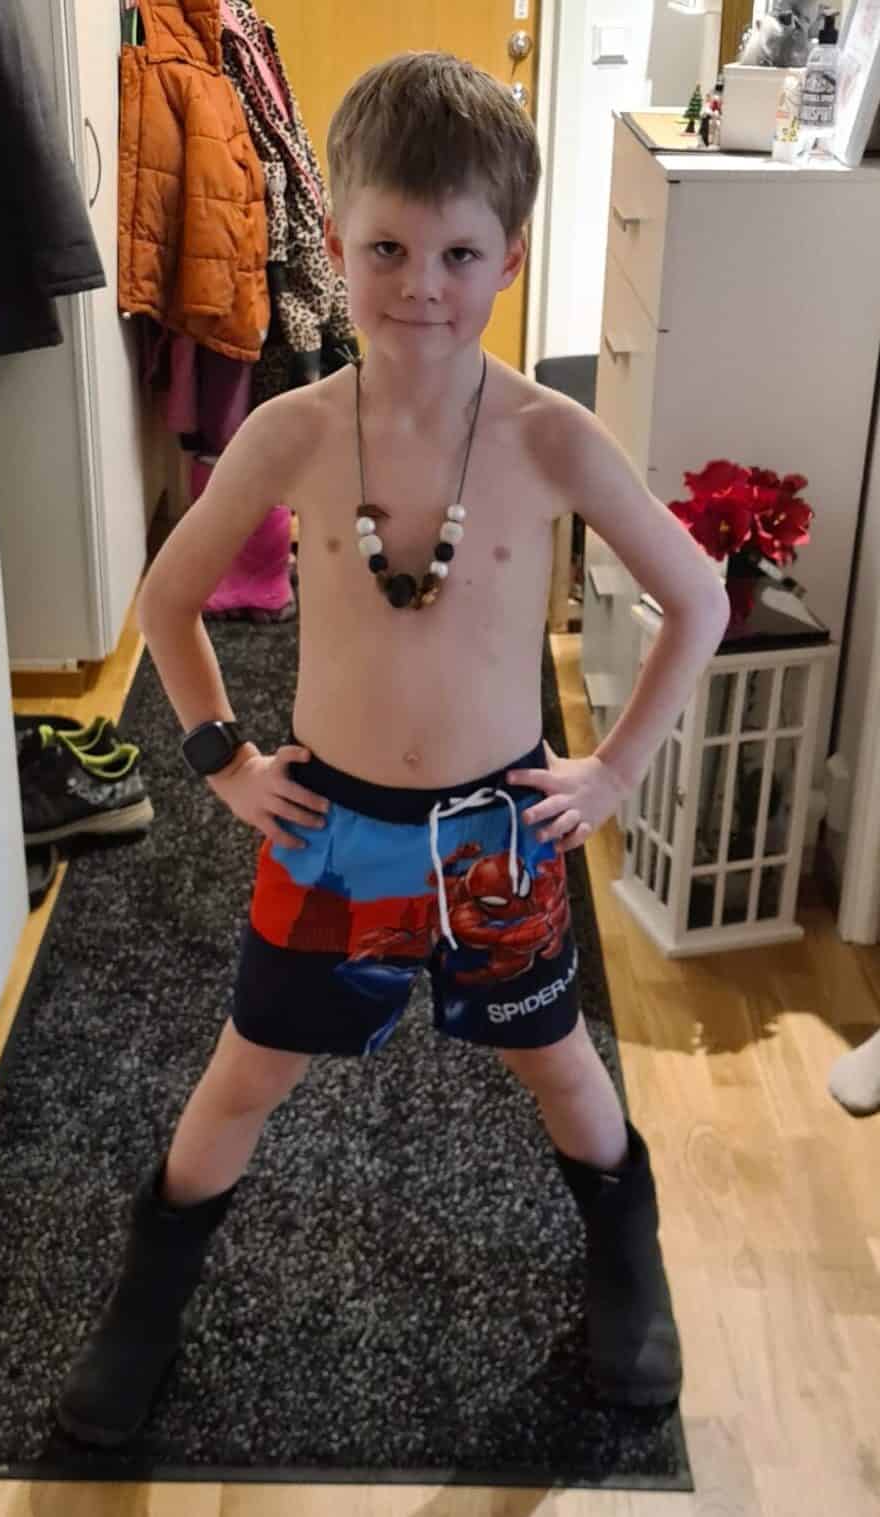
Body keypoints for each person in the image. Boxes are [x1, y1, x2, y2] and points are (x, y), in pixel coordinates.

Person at [57, 51, 730, 1448]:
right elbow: (168, 600)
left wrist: (612, 770)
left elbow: (701, 599)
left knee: (557, 1061)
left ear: (509, 259)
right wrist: (222, 759)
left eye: (459, 254)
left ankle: (626, 1249)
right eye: (387, 250)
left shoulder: (552, 438)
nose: (422, 284)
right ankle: (148, 1296)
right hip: (331, 828)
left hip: (499, 830)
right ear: (338, 233)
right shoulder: (296, 432)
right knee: (249, 1067)